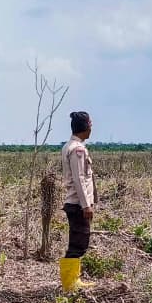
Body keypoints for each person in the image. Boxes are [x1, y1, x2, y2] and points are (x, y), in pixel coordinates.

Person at [59, 111, 96, 291]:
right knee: (78, 244)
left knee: (78, 241)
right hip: (77, 204)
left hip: (75, 203)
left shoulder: (70, 146)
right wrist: (86, 205)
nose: (91, 128)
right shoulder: (78, 149)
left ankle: (73, 281)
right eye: (90, 125)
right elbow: (79, 179)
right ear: (85, 127)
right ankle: (70, 285)